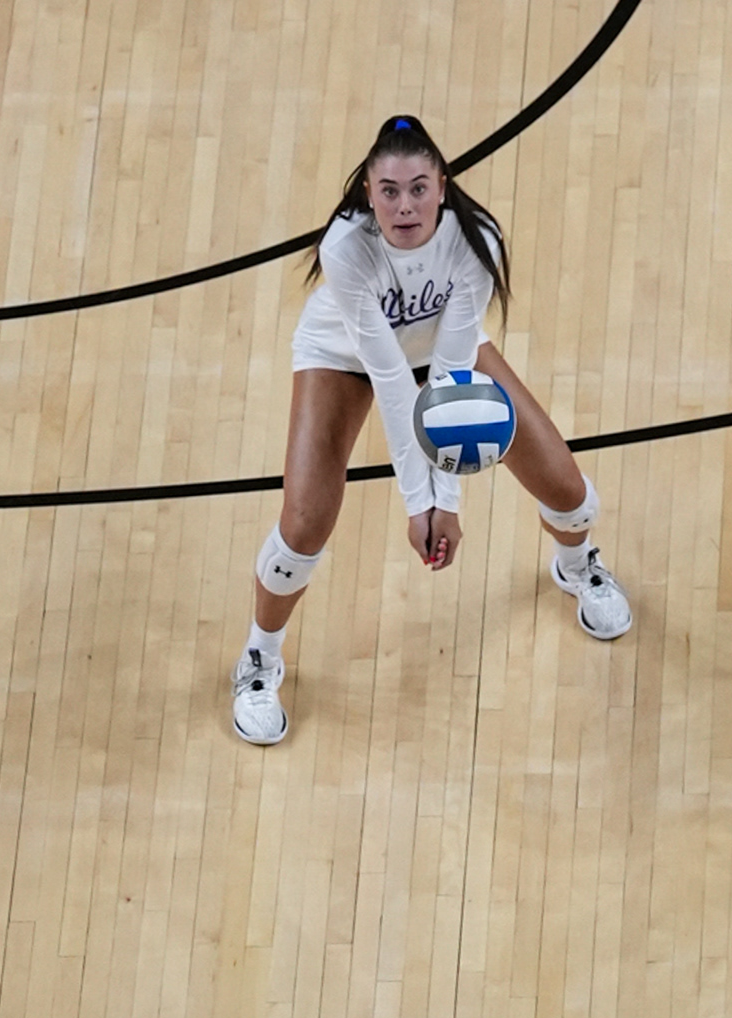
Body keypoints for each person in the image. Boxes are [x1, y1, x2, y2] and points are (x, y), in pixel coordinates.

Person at [232, 114, 632, 743]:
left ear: (442, 187)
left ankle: (577, 565)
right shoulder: (347, 247)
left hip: (445, 351)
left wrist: (448, 502)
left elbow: (448, 374)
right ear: (368, 193)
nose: (405, 205)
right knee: (304, 524)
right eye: (389, 191)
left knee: (572, 496)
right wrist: (420, 506)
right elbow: (392, 380)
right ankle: (259, 659)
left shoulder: (475, 241)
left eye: (419, 188)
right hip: (344, 357)